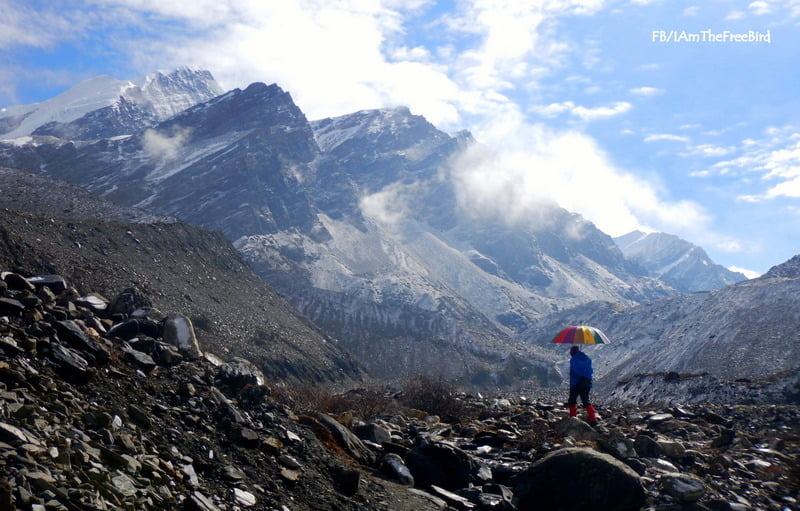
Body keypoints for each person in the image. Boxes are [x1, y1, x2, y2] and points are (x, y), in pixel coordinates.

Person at [568, 345, 597, 425]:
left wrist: (574, 383)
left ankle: (573, 417)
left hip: (576, 383)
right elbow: (590, 371)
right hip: (586, 383)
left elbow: (574, 372)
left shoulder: (574, 359)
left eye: (571, 351)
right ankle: (593, 418)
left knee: (572, 401)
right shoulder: (587, 358)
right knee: (586, 401)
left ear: (573, 352)